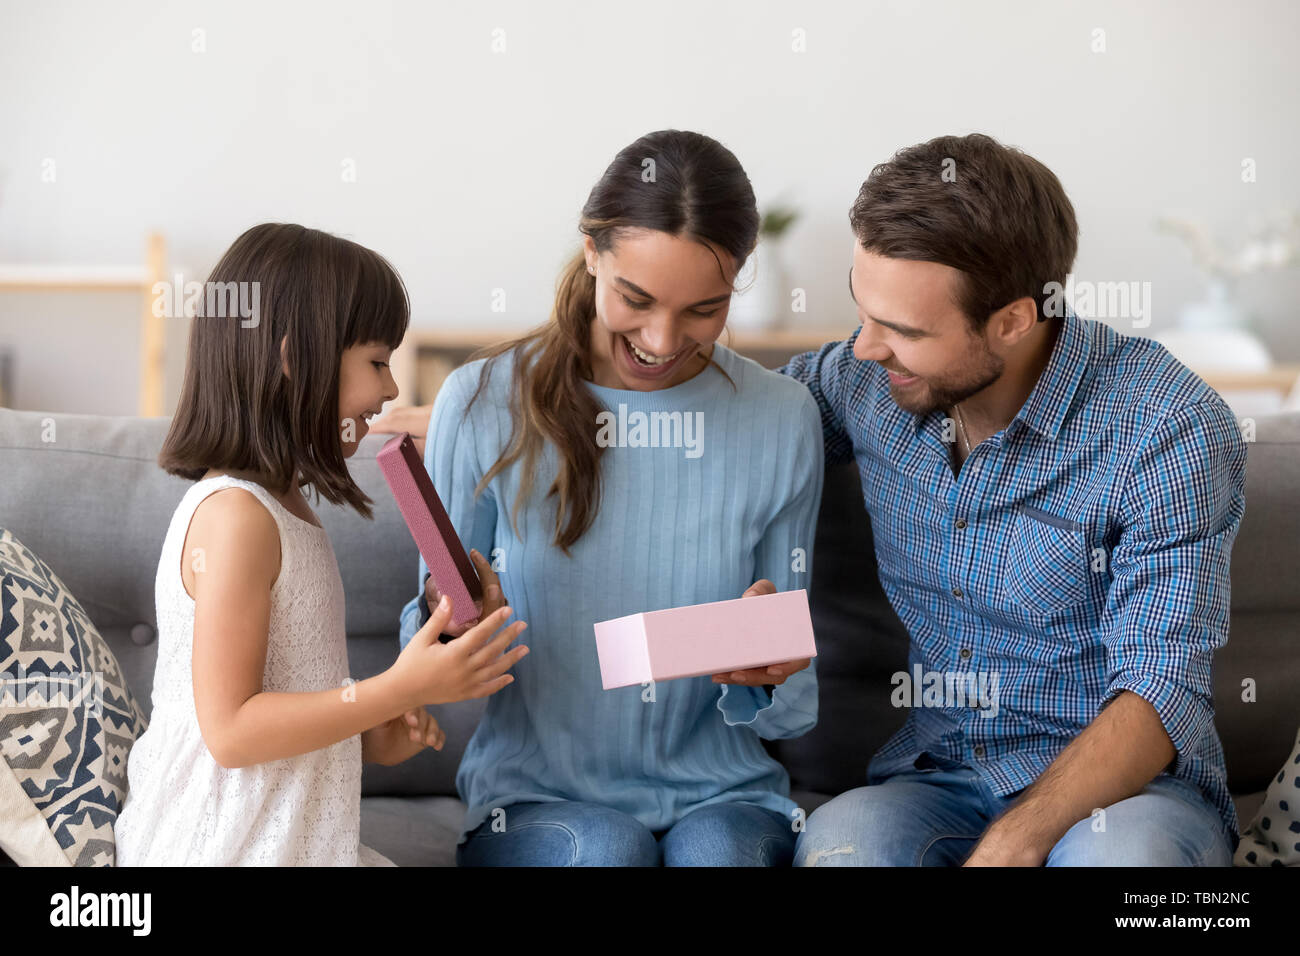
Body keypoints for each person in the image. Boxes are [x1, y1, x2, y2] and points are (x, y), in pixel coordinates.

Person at [781, 133, 1246, 866]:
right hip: (939, 779)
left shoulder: (1167, 428)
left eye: (902, 330)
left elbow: (1163, 689)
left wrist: (1017, 841)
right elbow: (736, 423)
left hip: (1127, 796)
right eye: (861, 310)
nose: (865, 347)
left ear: (1013, 320)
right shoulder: (865, 380)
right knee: (843, 846)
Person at [389, 129, 825, 866]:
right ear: (592, 252)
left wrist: (770, 665)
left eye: (703, 310)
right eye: (636, 298)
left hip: (725, 792)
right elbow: (424, 662)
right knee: (605, 853)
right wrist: (456, 624)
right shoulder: (481, 403)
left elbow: (795, 699)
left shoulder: (781, 418)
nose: (663, 338)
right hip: (535, 797)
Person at [114, 222, 527, 865]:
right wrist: (392, 689)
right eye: (377, 361)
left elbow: (283, 708)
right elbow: (229, 733)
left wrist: (369, 734)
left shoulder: (284, 509)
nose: (391, 389)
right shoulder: (236, 519)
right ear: (290, 357)